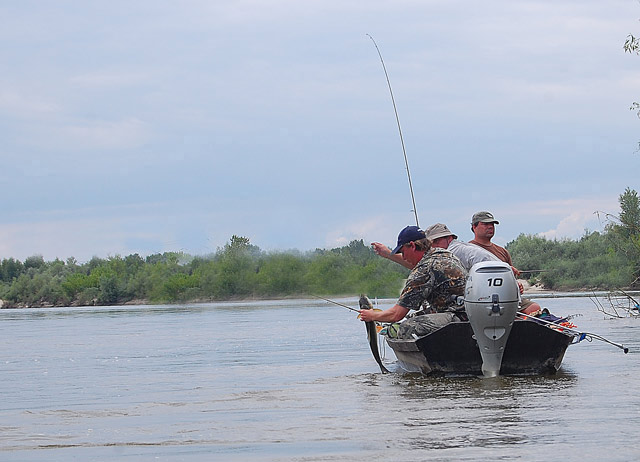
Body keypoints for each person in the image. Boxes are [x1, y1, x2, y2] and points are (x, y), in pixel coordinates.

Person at [360, 226, 467, 339]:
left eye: (403, 252)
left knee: (406, 327)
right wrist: (387, 253)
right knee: (412, 316)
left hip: (457, 319)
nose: (404, 257)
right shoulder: (442, 254)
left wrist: (372, 316)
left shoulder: (423, 270)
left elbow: (396, 314)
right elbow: (419, 266)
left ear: (412, 245)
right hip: (468, 313)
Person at [470, 211, 541, 315]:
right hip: (481, 299)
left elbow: (511, 279)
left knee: (534, 308)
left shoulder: (502, 252)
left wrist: (517, 285)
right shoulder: (468, 251)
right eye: (485, 224)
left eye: (492, 224)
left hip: (506, 297)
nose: (490, 227)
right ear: (474, 227)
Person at [371, 224, 498, 272]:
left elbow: (419, 265)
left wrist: (388, 254)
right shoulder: (463, 247)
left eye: (436, 241)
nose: (432, 247)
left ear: (449, 239)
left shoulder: (451, 253)